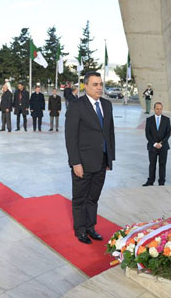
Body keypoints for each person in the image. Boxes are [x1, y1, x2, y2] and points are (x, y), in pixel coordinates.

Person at [65, 71, 115, 244]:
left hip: (101, 161)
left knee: (93, 197)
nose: (99, 88)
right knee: (80, 198)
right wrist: (75, 163)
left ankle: (90, 227)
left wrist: (109, 159)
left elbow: (109, 133)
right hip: (83, 162)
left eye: (100, 84)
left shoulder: (107, 105)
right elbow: (70, 137)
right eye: (95, 84)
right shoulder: (76, 106)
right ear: (85, 86)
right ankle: (80, 230)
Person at [143, 102, 171, 186]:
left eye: (160, 109)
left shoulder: (166, 120)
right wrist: (155, 143)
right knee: (152, 165)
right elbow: (147, 134)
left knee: (162, 165)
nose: (159, 110)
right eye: (157, 109)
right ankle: (150, 181)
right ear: (154, 109)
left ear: (162, 109)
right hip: (152, 146)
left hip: (163, 146)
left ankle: (161, 182)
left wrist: (161, 143)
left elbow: (168, 133)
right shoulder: (149, 120)